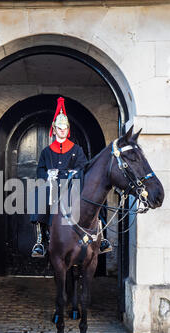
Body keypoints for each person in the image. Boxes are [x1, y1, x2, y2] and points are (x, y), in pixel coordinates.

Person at [30, 97, 112, 257]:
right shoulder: (46, 151)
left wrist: (67, 174)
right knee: (39, 194)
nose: (62, 131)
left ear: (68, 130)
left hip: (73, 186)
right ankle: (40, 241)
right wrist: (47, 175)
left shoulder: (77, 149)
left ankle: (101, 238)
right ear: (54, 129)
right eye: (59, 128)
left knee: (95, 198)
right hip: (53, 187)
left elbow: (82, 168)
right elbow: (40, 170)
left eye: (64, 128)